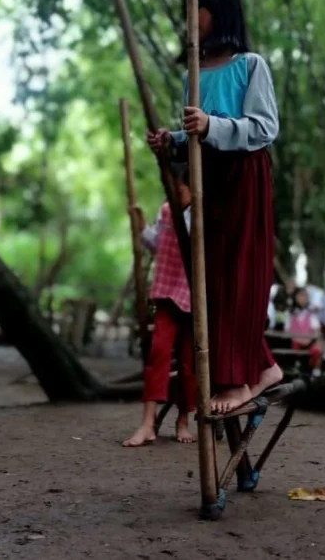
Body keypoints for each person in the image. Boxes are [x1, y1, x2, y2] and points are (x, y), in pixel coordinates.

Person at [148, 0, 283, 413]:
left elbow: (264, 129)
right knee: (212, 280)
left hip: (244, 175)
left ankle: (237, 381)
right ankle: (263, 367)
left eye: (196, 9)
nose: (188, 20)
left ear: (219, 12)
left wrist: (211, 126)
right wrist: (170, 141)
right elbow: (194, 133)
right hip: (209, 180)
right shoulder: (194, 71)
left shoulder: (250, 65)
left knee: (241, 275)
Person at [123, 171, 197, 447]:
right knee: (158, 353)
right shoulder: (166, 211)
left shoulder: (203, 214)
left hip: (193, 299)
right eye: (171, 188)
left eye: (180, 189)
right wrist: (142, 227)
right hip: (167, 293)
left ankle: (183, 419)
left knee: (190, 363)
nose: (175, 194)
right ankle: (147, 423)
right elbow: (159, 246)